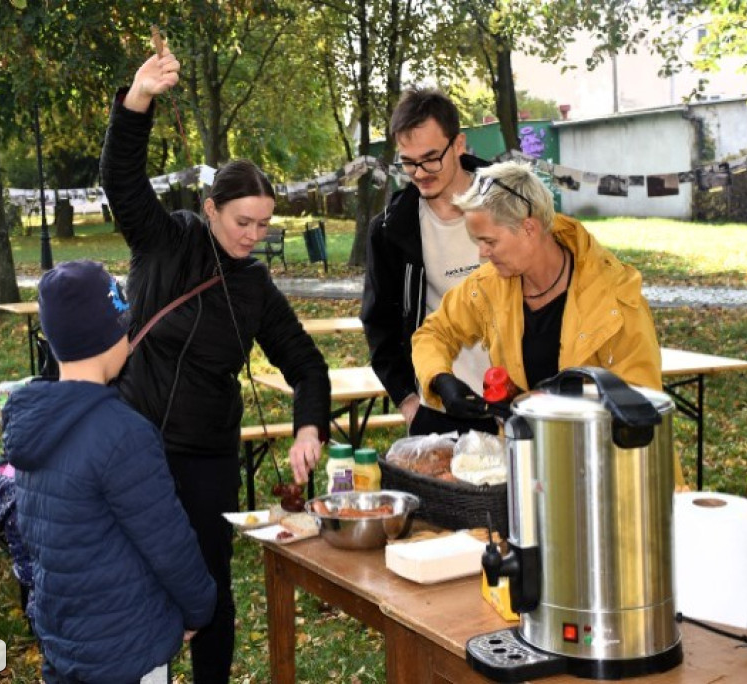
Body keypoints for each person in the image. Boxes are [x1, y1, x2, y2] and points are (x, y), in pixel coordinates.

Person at [101, 45, 331, 683]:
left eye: (263, 225)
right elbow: (121, 181)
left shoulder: (255, 287)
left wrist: (310, 426)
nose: (253, 236)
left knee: (208, 589)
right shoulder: (164, 239)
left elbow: (306, 364)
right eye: (242, 221)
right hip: (134, 444)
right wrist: (139, 99)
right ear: (211, 208)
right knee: (134, 577)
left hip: (207, 456)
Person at [2, 260, 216, 684]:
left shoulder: (31, 425)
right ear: (113, 336)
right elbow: (168, 542)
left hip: (64, 635)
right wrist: (199, 608)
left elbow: (33, 539)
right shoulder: (123, 435)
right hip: (128, 643)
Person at [411, 162, 686, 487]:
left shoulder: (613, 294)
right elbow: (434, 334)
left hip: (615, 478)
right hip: (532, 473)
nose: (483, 254)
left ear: (529, 228)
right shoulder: (488, 287)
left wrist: (548, 407)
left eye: (490, 241)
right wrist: (441, 379)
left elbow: (640, 402)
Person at [360, 87, 495, 437]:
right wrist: (409, 402)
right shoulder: (391, 230)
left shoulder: (509, 201)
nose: (419, 172)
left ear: (460, 144)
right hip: (438, 409)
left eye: (431, 158)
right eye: (408, 161)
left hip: (518, 403)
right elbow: (380, 326)